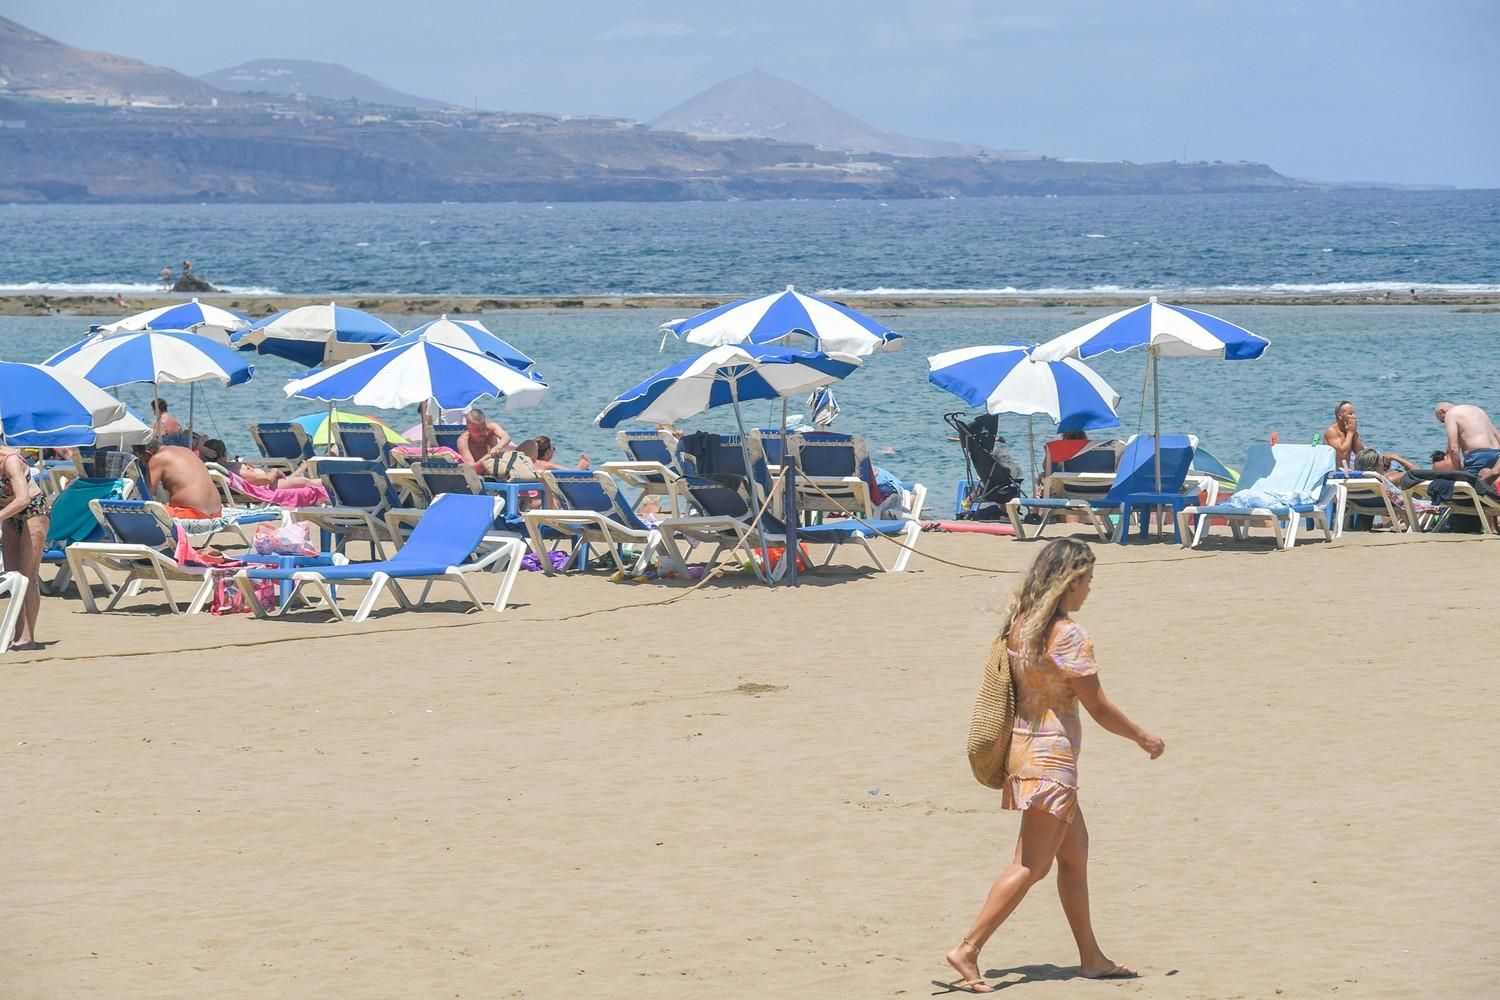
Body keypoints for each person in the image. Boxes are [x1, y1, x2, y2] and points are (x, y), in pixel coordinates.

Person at [945, 538, 1164, 993]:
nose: (1090, 590)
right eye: (1087, 580)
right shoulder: (1068, 634)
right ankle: (968, 947)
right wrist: (1142, 735)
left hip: (1023, 752)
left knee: (1075, 857)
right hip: (1051, 762)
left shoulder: (1021, 625)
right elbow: (1098, 707)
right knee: (1031, 865)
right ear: (1070, 582)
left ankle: (1091, 957)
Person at [0, 446, 50, 650]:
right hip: (10, 514)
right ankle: (16, 634)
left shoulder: (10, 461)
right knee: (13, 577)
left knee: (27, 575)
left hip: (33, 511)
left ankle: (27, 637)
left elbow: (23, 498)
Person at [139, 439, 222, 519]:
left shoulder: (157, 458)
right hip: (217, 513)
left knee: (146, 512)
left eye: (141, 460)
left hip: (194, 514)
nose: (143, 463)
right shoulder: (186, 451)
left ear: (147, 455)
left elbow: (146, 498)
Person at [197, 439, 320, 491]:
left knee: (297, 478)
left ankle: (299, 471)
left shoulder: (208, 469)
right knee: (305, 481)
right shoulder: (233, 470)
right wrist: (275, 471)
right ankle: (332, 486)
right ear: (223, 455)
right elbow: (266, 479)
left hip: (265, 484)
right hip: (266, 487)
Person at [1434, 402, 1500, 478]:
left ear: (1442, 412)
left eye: (1442, 420)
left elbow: (1453, 448)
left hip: (1478, 457)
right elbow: (1497, 436)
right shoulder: (1479, 410)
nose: (1444, 423)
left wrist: (1459, 473)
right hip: (1496, 454)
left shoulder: (1451, 414)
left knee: (1467, 485)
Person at [456, 407, 513, 476]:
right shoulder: (463, 441)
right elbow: (472, 469)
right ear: (468, 427)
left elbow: (506, 437)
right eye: (477, 430)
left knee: (527, 444)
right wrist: (489, 455)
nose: (482, 432)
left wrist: (498, 447)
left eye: (484, 428)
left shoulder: (492, 428)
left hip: (498, 466)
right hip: (481, 473)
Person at [1322, 401, 1365, 469]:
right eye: (1350, 414)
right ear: (1340, 416)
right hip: (1332, 473)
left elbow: (1361, 454)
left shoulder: (1350, 431)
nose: (1354, 417)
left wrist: (1354, 433)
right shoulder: (1331, 431)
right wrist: (1350, 433)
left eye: (1354, 413)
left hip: (1346, 472)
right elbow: (1342, 455)